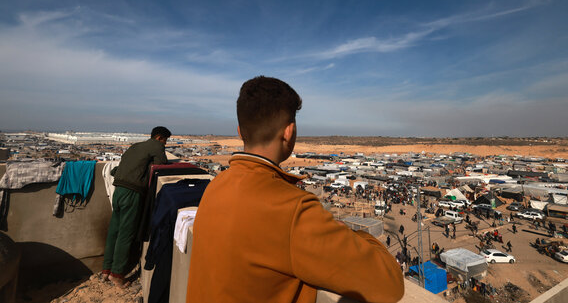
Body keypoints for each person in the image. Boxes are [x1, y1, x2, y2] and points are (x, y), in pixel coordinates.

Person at [186, 76, 404, 303]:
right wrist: (352, 234)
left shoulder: (216, 185)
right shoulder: (293, 208)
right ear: (289, 132)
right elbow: (390, 284)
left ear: (240, 132)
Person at [101, 126, 171, 288]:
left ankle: (106, 269)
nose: (164, 145)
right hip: (132, 192)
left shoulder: (136, 146)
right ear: (160, 138)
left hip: (118, 190)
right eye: (165, 141)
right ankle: (117, 274)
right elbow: (161, 163)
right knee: (126, 233)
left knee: (114, 231)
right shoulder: (156, 146)